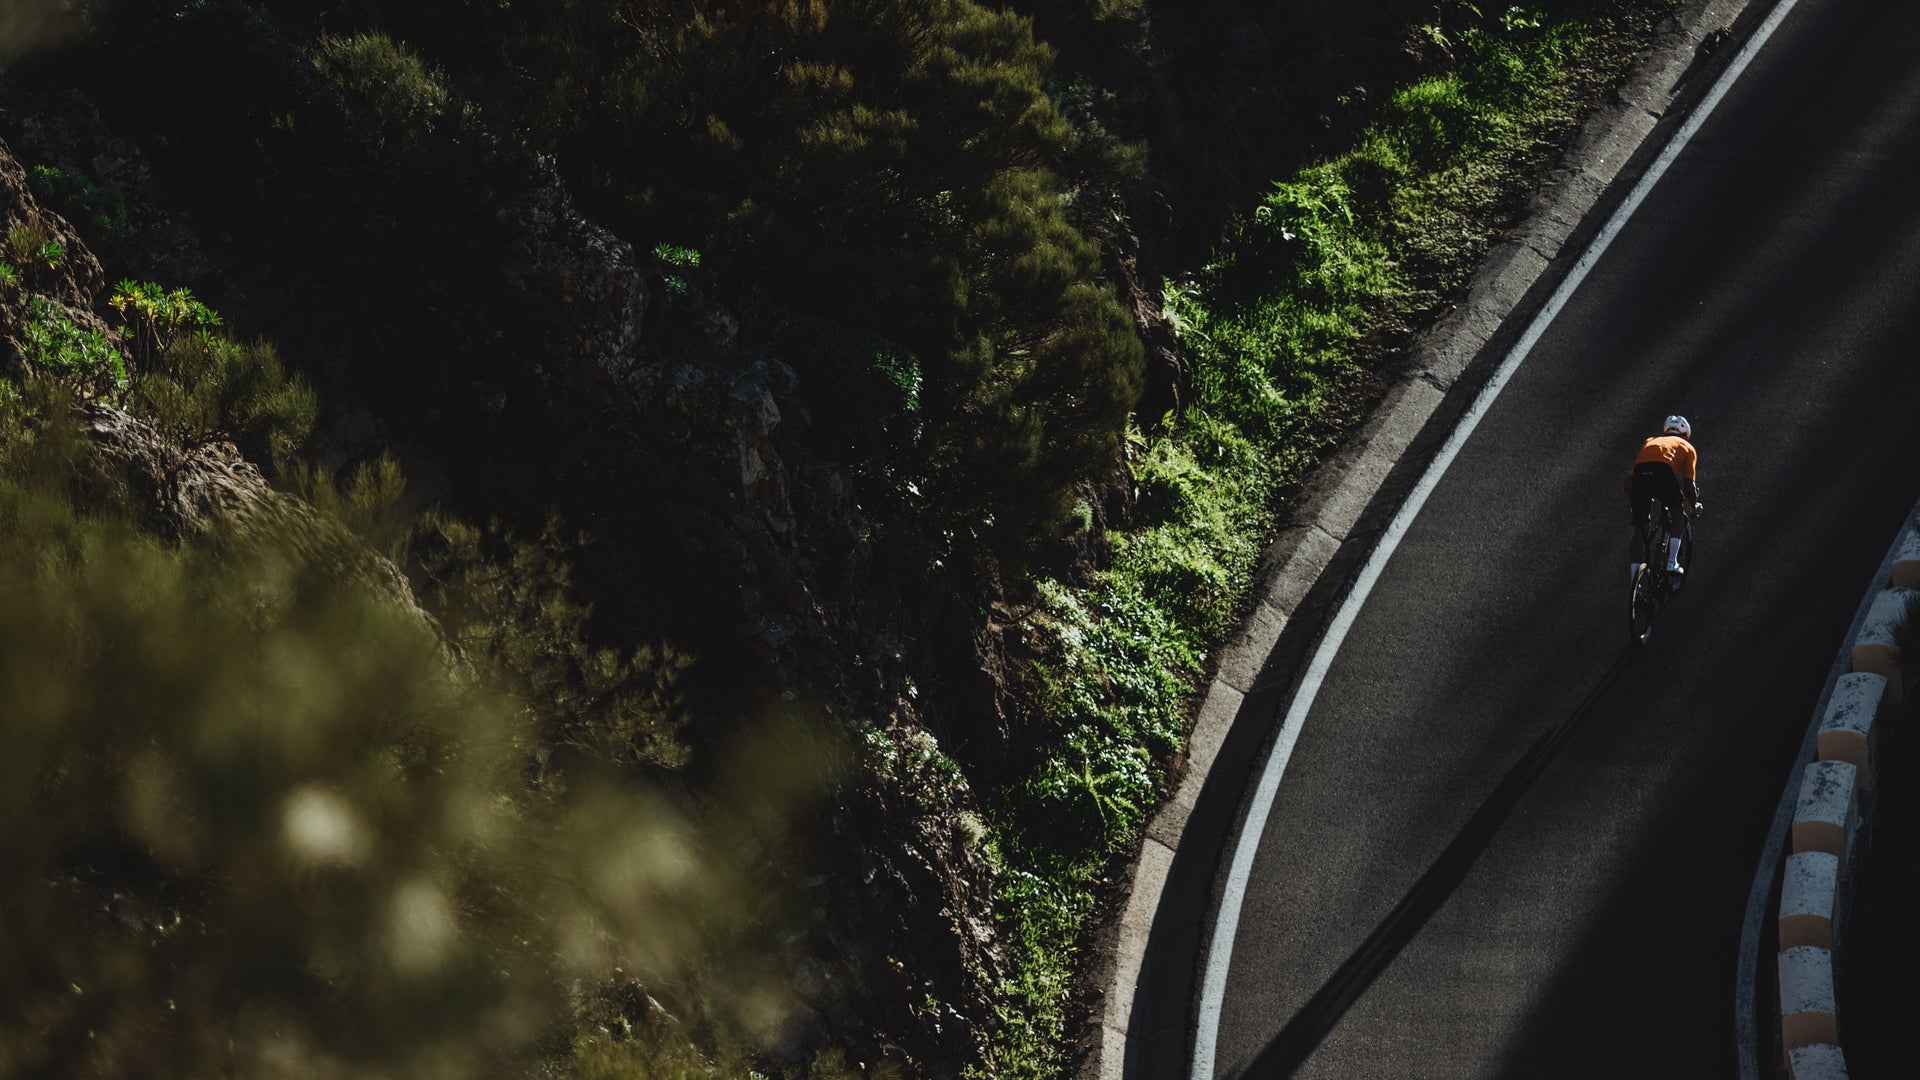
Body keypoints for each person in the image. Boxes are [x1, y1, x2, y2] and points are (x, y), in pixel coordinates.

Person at [1625, 415, 1702, 586]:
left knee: (1640, 530)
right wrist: (1694, 505)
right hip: (1662, 472)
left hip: (1640, 475)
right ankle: (1672, 562)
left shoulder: (1650, 441)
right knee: (1677, 512)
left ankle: (1634, 583)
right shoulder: (1687, 447)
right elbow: (1689, 486)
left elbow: (1629, 484)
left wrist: (1639, 502)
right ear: (1685, 435)